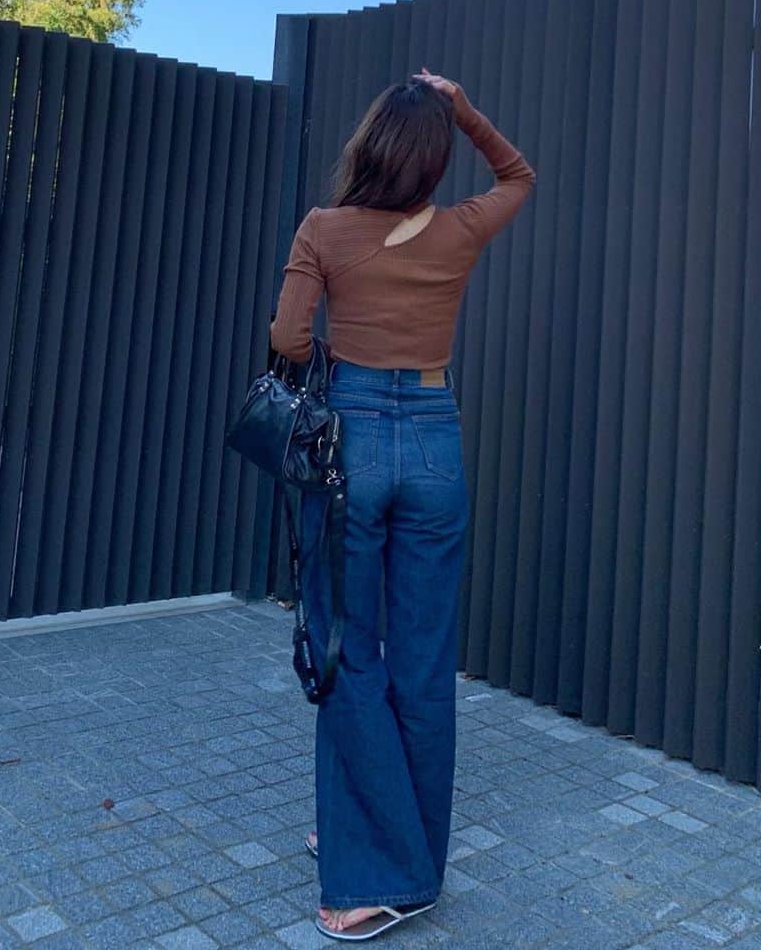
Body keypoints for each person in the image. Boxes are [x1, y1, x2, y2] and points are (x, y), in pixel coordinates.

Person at [269, 67, 535, 941]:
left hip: (348, 440)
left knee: (347, 649)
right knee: (422, 659)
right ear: (433, 158)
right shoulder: (460, 227)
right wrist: (464, 109)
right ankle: (375, 832)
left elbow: (289, 338)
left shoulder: (324, 228)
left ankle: (383, 873)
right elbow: (518, 175)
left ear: (369, 145)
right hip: (432, 435)